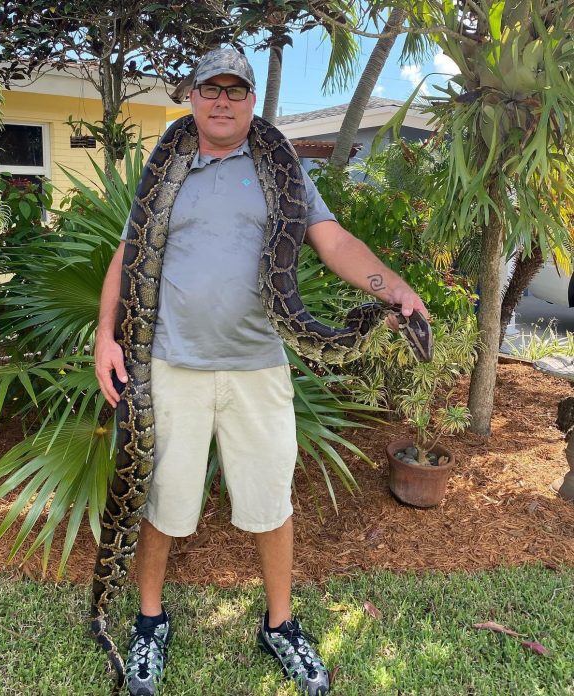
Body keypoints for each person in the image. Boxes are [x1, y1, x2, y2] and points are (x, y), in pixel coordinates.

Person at [95, 47, 428, 696]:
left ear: (252, 101)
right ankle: (150, 621)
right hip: (170, 367)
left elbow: (332, 241)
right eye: (210, 89)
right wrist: (105, 334)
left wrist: (392, 288)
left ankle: (280, 624)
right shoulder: (168, 165)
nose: (222, 100)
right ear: (192, 97)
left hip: (258, 369)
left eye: (235, 91)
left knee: (272, 504)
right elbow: (129, 250)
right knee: (163, 504)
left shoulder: (281, 168)